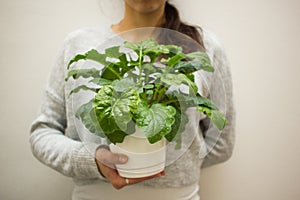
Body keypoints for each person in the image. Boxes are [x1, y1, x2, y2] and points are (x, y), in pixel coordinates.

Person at [29, 0, 235, 199]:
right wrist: (92, 160)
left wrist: (179, 162)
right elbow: (43, 132)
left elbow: (221, 143)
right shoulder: (78, 44)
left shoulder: (204, 46)